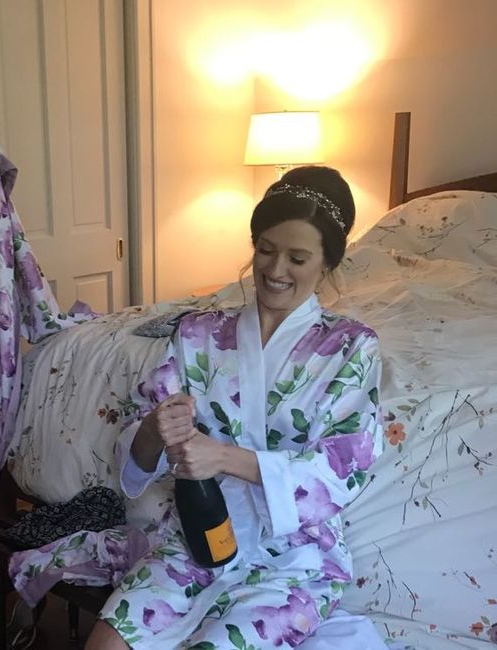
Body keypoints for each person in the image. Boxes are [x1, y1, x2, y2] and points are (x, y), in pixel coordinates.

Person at [85, 166, 386, 649]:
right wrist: (154, 429)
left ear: (327, 263)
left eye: (297, 257)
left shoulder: (352, 348)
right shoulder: (198, 333)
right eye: (265, 249)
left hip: (294, 556)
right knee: (105, 644)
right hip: (196, 537)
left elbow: (340, 470)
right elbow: (139, 459)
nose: (275, 270)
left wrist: (223, 457)